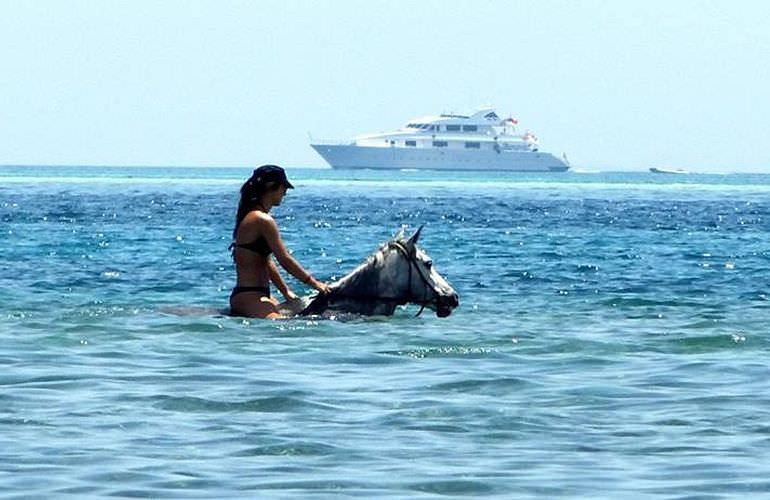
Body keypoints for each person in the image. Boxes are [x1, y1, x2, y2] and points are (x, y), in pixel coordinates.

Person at [229, 165, 329, 318]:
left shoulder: (253, 216)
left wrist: (286, 292)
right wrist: (315, 283)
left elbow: (267, 263)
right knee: (284, 329)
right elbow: (285, 259)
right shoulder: (262, 219)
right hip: (250, 297)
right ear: (271, 187)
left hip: (260, 295)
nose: (285, 194)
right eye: (284, 188)